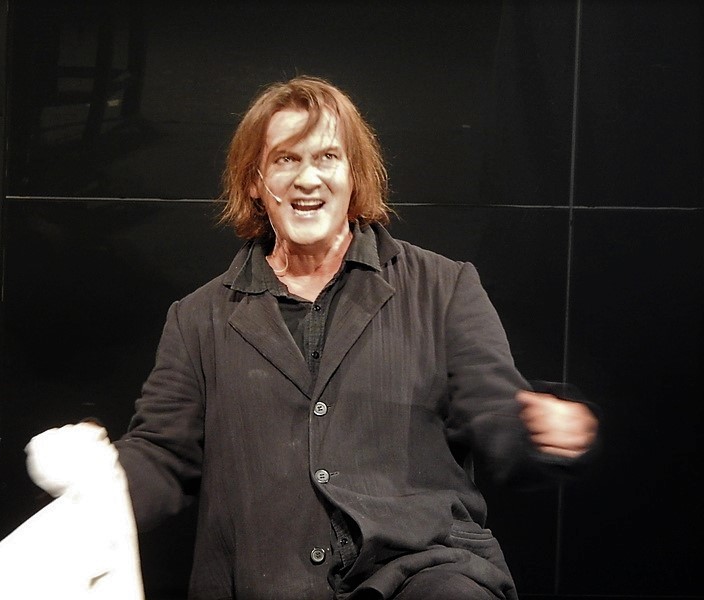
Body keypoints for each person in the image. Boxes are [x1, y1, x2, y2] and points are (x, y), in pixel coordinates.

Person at [113, 75, 599, 600]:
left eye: (327, 158)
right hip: (266, 581)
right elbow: (162, 454)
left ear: (354, 175)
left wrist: (537, 430)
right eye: (285, 159)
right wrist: (93, 485)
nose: (307, 179)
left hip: (424, 572)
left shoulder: (443, 287)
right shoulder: (198, 318)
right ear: (255, 182)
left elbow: (496, 410)